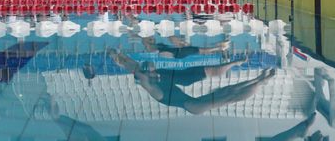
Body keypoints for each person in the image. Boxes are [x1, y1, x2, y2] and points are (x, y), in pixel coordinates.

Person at [109, 49, 275, 115]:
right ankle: (261, 82)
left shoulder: (153, 75)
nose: (149, 65)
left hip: (189, 96)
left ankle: (258, 79)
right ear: (144, 76)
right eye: (147, 68)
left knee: (228, 90)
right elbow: (136, 71)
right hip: (192, 106)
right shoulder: (149, 85)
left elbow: (134, 65)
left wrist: (120, 57)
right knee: (230, 95)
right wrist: (121, 60)